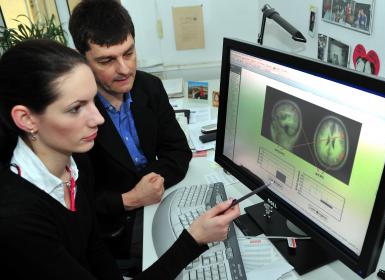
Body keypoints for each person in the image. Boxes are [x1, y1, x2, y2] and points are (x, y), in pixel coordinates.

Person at [0, 39, 240, 279]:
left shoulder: (74, 163)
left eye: (92, 101)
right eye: (76, 108)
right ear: (26, 119)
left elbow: (95, 252)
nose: (98, 118)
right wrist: (194, 239)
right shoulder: (17, 219)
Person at [68, 0, 192, 271]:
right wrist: (131, 199)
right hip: (113, 231)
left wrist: (151, 185)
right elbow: (77, 199)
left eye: (129, 53)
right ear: (82, 59)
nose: (124, 69)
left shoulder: (150, 87)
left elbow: (178, 151)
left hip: (156, 201)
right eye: (107, 60)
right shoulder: (74, 112)